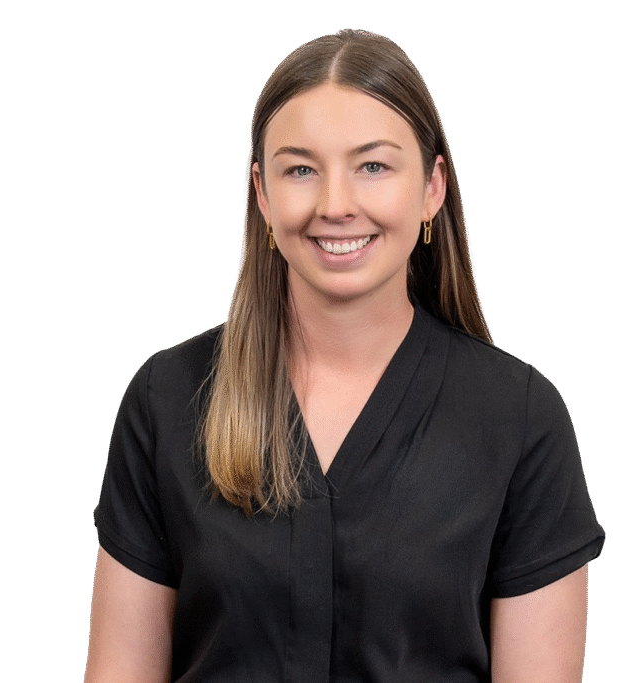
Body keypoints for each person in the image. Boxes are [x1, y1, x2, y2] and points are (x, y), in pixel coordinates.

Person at [85, 28, 605, 683]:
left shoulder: (521, 420)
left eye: (373, 166)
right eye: (301, 169)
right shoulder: (167, 400)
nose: (335, 205)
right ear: (263, 195)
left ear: (432, 188)